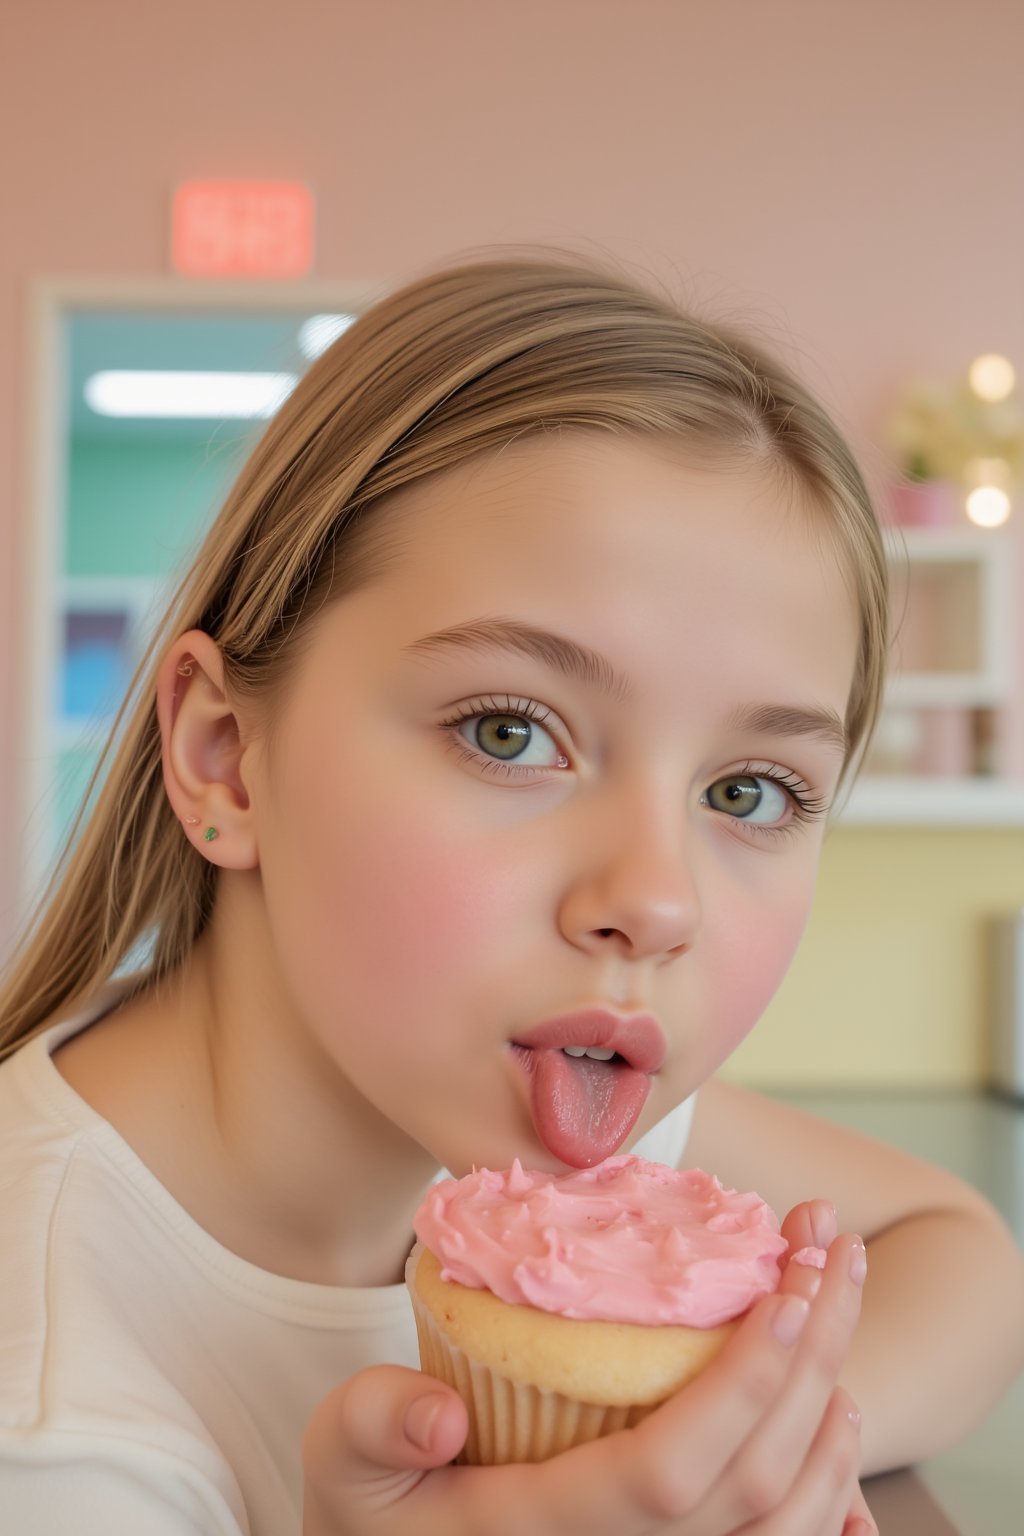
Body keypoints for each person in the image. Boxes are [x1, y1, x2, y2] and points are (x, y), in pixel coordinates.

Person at [1, 253, 1021, 1536]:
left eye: (751, 791)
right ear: (225, 756)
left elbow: (956, 1248)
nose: (655, 903)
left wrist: (724, 1451)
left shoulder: (541, 1132)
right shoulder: (56, 1440)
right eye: (505, 733)